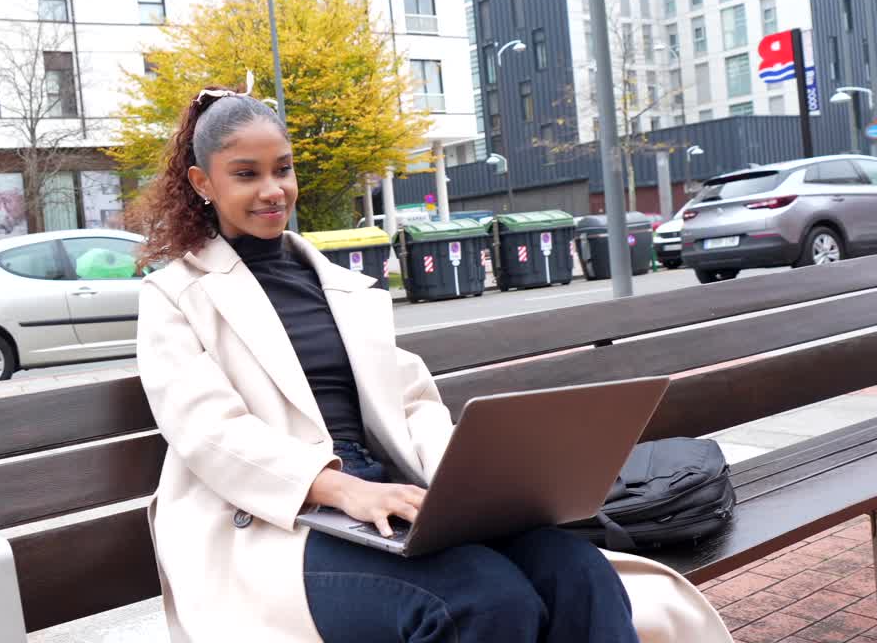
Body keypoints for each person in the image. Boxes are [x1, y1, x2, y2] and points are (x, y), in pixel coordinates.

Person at [130, 82, 733, 643]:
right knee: (480, 600)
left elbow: (410, 402)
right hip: (278, 522)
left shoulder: (339, 286)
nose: (272, 190)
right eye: (246, 174)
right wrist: (340, 488)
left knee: (576, 570)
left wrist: (469, 483)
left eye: (282, 169)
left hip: (395, 498)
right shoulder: (175, 297)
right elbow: (208, 432)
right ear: (203, 182)